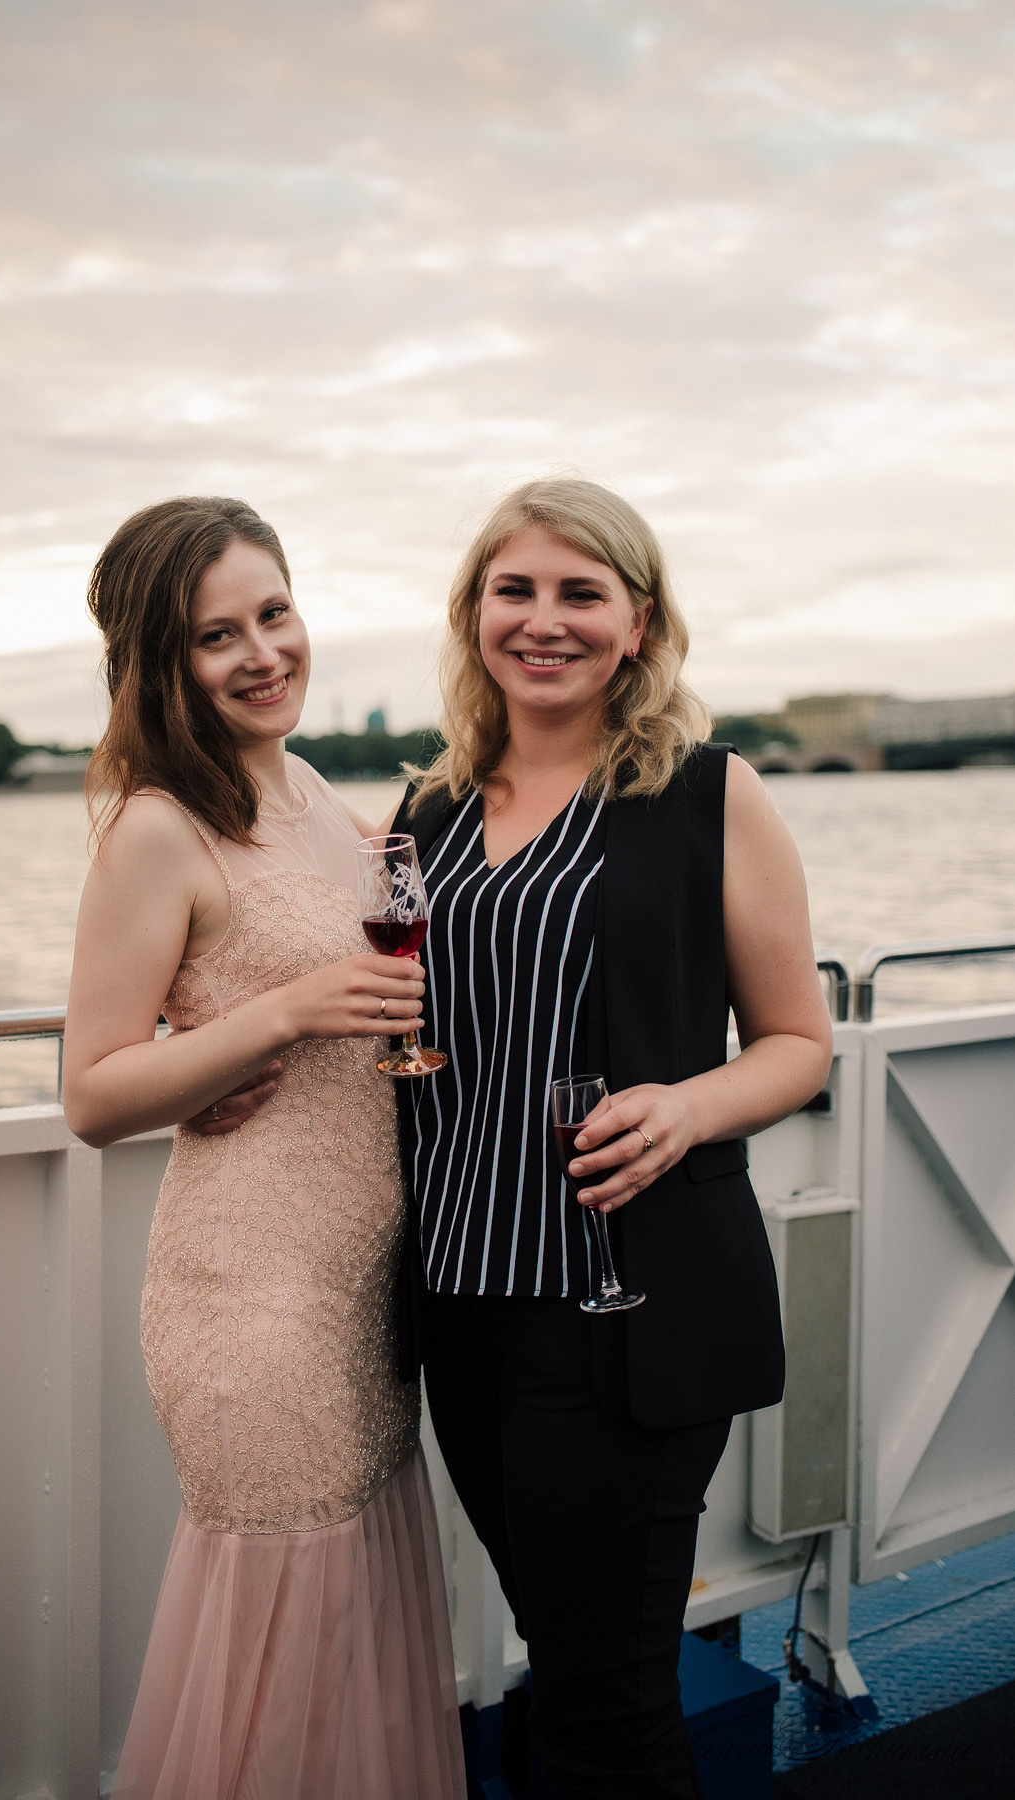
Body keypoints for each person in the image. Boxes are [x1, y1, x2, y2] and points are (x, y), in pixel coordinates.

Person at [392, 478, 833, 1800]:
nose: (544, 620)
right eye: (513, 590)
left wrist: (687, 1105)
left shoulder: (710, 794)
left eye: (581, 593)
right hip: (462, 1302)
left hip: (623, 1310)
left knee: (604, 1697)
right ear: (473, 615)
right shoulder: (426, 813)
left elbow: (797, 1041)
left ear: (637, 623)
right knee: (567, 1657)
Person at [62, 496, 467, 1800]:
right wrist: (277, 1016)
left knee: (351, 1635)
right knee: (285, 1629)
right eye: (214, 635)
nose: (262, 653)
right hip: (253, 1296)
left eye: (274, 613)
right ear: (158, 661)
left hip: (364, 1292)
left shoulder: (307, 790)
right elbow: (93, 1092)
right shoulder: (155, 825)